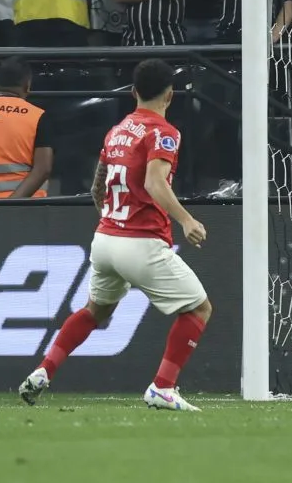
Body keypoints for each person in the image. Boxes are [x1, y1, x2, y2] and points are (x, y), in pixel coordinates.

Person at [19, 59, 213, 412]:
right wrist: (186, 220)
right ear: (170, 95)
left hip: (106, 239)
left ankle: (43, 371)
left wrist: (112, 222)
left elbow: (97, 186)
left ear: (134, 92)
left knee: (95, 310)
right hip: (141, 242)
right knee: (199, 309)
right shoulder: (164, 132)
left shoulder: (117, 130)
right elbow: (155, 182)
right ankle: (162, 387)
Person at [0, 57, 53, 199]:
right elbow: (43, 168)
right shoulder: (38, 116)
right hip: (24, 210)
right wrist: (11, 204)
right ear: (27, 85)